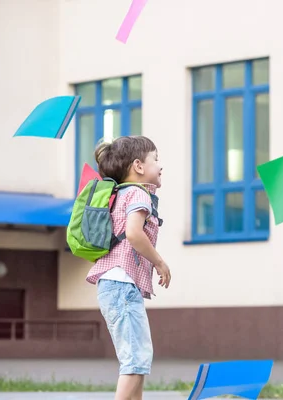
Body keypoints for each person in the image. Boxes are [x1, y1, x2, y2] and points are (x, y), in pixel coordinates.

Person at [85, 135, 171, 400]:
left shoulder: (120, 193)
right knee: (135, 360)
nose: (160, 165)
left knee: (137, 359)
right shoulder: (137, 193)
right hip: (121, 286)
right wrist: (159, 262)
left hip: (115, 285)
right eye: (155, 159)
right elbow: (134, 233)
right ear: (138, 166)